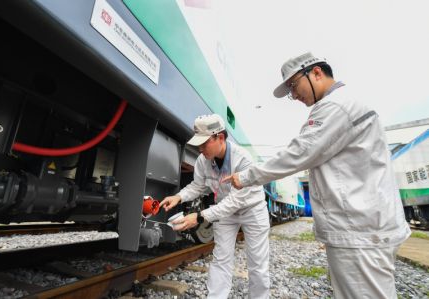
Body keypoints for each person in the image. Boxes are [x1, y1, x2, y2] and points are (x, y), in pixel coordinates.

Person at [223, 52, 411, 299]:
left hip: (359, 232)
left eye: (293, 85)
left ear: (316, 73)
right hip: (364, 227)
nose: (294, 95)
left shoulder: (334, 106)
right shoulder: (347, 104)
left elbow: (299, 153)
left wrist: (246, 177)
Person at [160, 114, 270, 299]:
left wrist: (200, 217)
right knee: (221, 259)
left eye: (205, 143)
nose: (200, 149)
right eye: (199, 144)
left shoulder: (242, 159)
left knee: (258, 264)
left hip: (252, 209)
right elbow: (198, 186)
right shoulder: (203, 160)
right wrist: (178, 197)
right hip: (224, 211)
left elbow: (236, 201)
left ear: (220, 137)